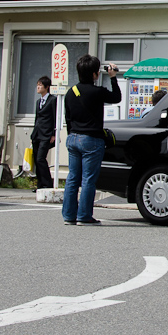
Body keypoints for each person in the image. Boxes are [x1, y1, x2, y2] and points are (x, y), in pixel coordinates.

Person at [61, 55, 122, 226]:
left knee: (73, 178)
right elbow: (116, 97)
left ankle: (69, 215)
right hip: (91, 140)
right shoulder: (97, 92)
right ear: (95, 74)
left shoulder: (71, 92)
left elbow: (68, 118)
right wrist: (113, 77)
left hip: (73, 137)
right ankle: (84, 216)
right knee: (88, 179)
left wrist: (71, 135)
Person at [32, 76, 57, 189]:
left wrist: (54, 134)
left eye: (40, 85)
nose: (38, 87)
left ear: (47, 87)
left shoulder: (53, 100)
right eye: (37, 84)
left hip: (47, 134)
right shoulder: (38, 101)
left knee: (40, 158)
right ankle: (40, 184)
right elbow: (37, 118)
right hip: (37, 134)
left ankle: (47, 183)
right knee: (36, 159)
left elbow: (55, 117)